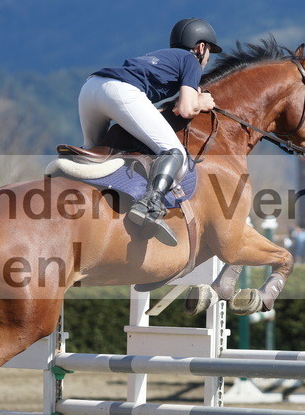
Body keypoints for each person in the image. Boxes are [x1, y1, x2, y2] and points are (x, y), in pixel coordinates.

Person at [78, 18, 222, 246]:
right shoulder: (190, 61)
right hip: (120, 92)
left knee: (93, 155)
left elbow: (169, 107)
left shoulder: (163, 56)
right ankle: (149, 205)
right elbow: (186, 109)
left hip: (91, 88)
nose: (207, 59)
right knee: (174, 152)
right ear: (201, 47)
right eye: (209, 53)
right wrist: (201, 102)